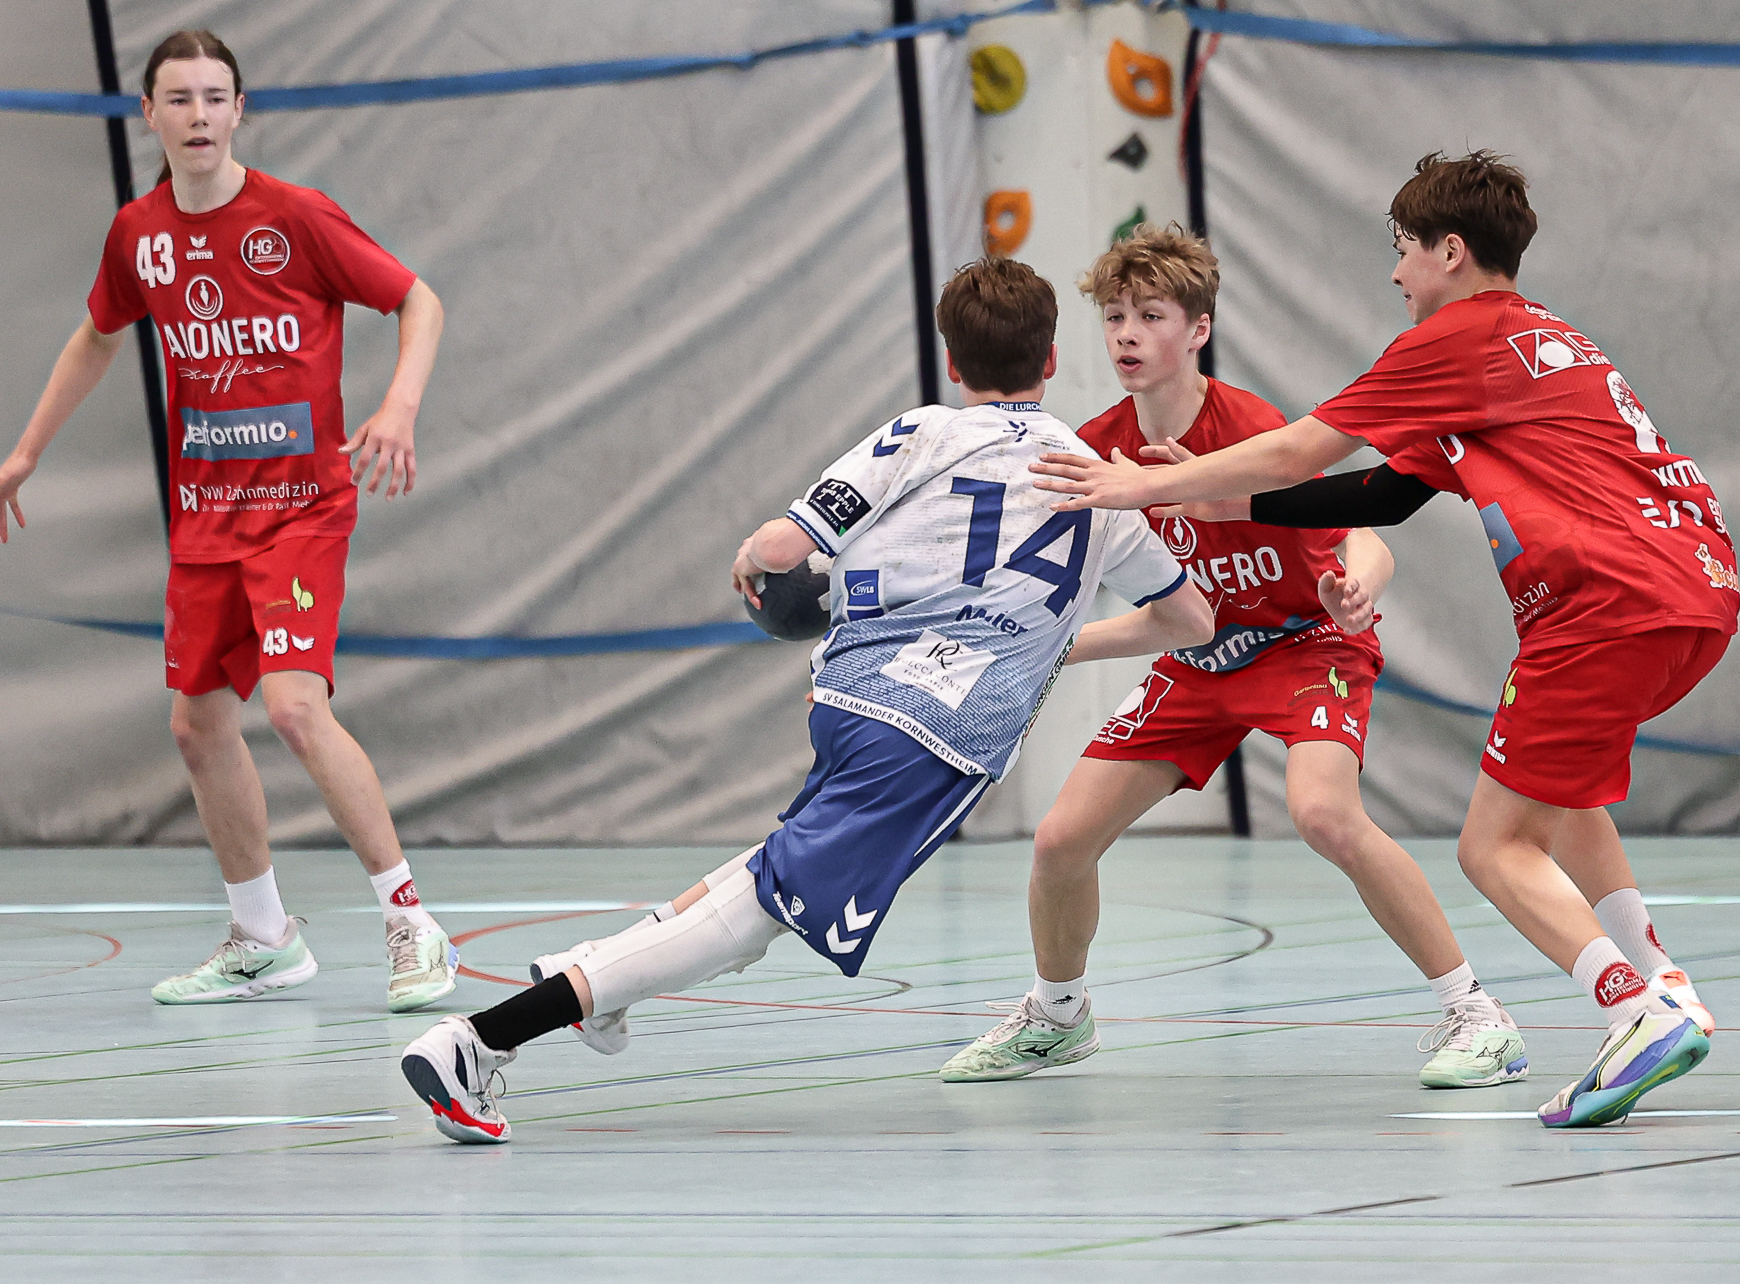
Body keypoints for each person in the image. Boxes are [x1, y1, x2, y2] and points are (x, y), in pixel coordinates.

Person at [398, 257, 1214, 1144]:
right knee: (758, 915)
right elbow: (1190, 619)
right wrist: (1050, 641)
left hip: (851, 693)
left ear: (951, 361)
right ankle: (480, 1039)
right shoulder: (1099, 484)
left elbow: (783, 549)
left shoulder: (921, 431)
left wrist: (752, 558)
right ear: (1051, 359)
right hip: (938, 735)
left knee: (778, 864)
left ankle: (600, 971)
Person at [1028, 152, 1735, 1129]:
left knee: (1492, 846)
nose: (1396, 271)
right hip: (1695, 582)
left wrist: (1145, 484)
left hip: (1598, 601)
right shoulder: (1546, 338)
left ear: (1451, 252)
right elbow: (1385, 492)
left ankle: (1632, 1009)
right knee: (1563, 796)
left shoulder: (1452, 339)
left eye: (1404, 250)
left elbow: (1298, 451)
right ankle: (1664, 984)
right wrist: (1232, 504)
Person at [939, 227, 1526, 1088]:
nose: (1128, 334)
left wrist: (1357, 589)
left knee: (1324, 814)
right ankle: (1058, 1014)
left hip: (1307, 644)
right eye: (1115, 317)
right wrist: (1030, 652)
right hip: (1200, 662)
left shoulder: (1250, 429)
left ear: (1199, 329)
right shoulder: (1096, 451)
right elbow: (1164, 623)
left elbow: (1365, 539)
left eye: (1151, 315)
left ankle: (1478, 1014)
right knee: (1061, 840)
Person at [0, 30, 456, 1011]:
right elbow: (96, 335)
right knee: (198, 725)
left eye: (215, 97)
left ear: (239, 110)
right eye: (179, 98)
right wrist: (28, 450)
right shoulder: (140, 235)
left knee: (292, 707)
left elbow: (417, 300)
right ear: (149, 115)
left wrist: (399, 406)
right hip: (207, 519)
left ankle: (412, 923)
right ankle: (264, 938)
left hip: (300, 512)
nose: (199, 115)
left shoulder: (295, 217)